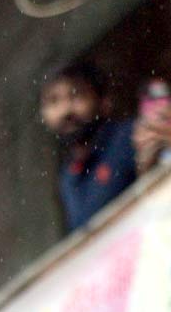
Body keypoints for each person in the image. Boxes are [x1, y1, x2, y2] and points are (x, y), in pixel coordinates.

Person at [38, 58, 140, 231]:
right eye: (53, 101)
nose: (66, 110)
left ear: (104, 102)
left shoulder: (129, 138)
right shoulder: (68, 177)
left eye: (76, 95)